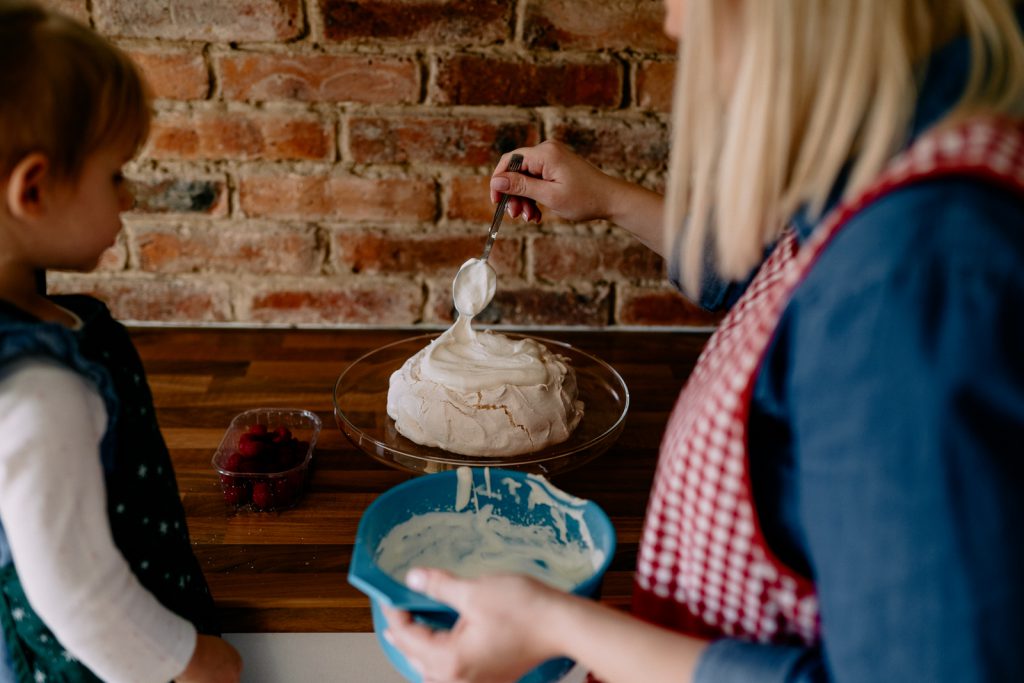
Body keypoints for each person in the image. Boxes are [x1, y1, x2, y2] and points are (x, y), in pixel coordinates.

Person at [382, 1, 1024, 681]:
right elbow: (776, 276)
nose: (675, 23)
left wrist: (556, 625)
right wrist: (608, 198)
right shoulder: (911, 164)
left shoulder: (916, 278)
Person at [0, 3, 242, 682]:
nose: (129, 197)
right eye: (115, 174)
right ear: (34, 189)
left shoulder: (34, 317)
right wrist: (191, 660)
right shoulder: (39, 392)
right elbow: (78, 592)